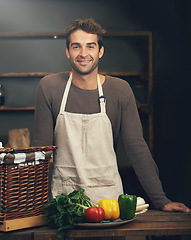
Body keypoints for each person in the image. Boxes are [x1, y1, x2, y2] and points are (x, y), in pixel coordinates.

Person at [33, 18, 190, 213]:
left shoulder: (120, 90)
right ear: (67, 52)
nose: (83, 54)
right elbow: (41, 152)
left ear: (100, 51)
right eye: (76, 47)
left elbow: (137, 148)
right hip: (62, 203)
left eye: (90, 46)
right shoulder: (49, 87)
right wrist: (34, 206)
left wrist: (161, 200)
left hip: (108, 203)